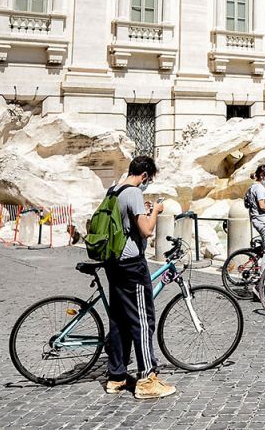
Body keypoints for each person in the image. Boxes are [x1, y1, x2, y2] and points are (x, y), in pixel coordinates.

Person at [103, 155, 175, 400]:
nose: (147, 183)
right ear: (144, 175)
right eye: (149, 179)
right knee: (143, 320)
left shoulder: (113, 189)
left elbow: (124, 223)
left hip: (113, 263)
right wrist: (155, 210)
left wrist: (141, 213)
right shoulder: (133, 192)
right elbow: (145, 230)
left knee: (119, 319)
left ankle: (117, 377)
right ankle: (147, 379)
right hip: (132, 265)